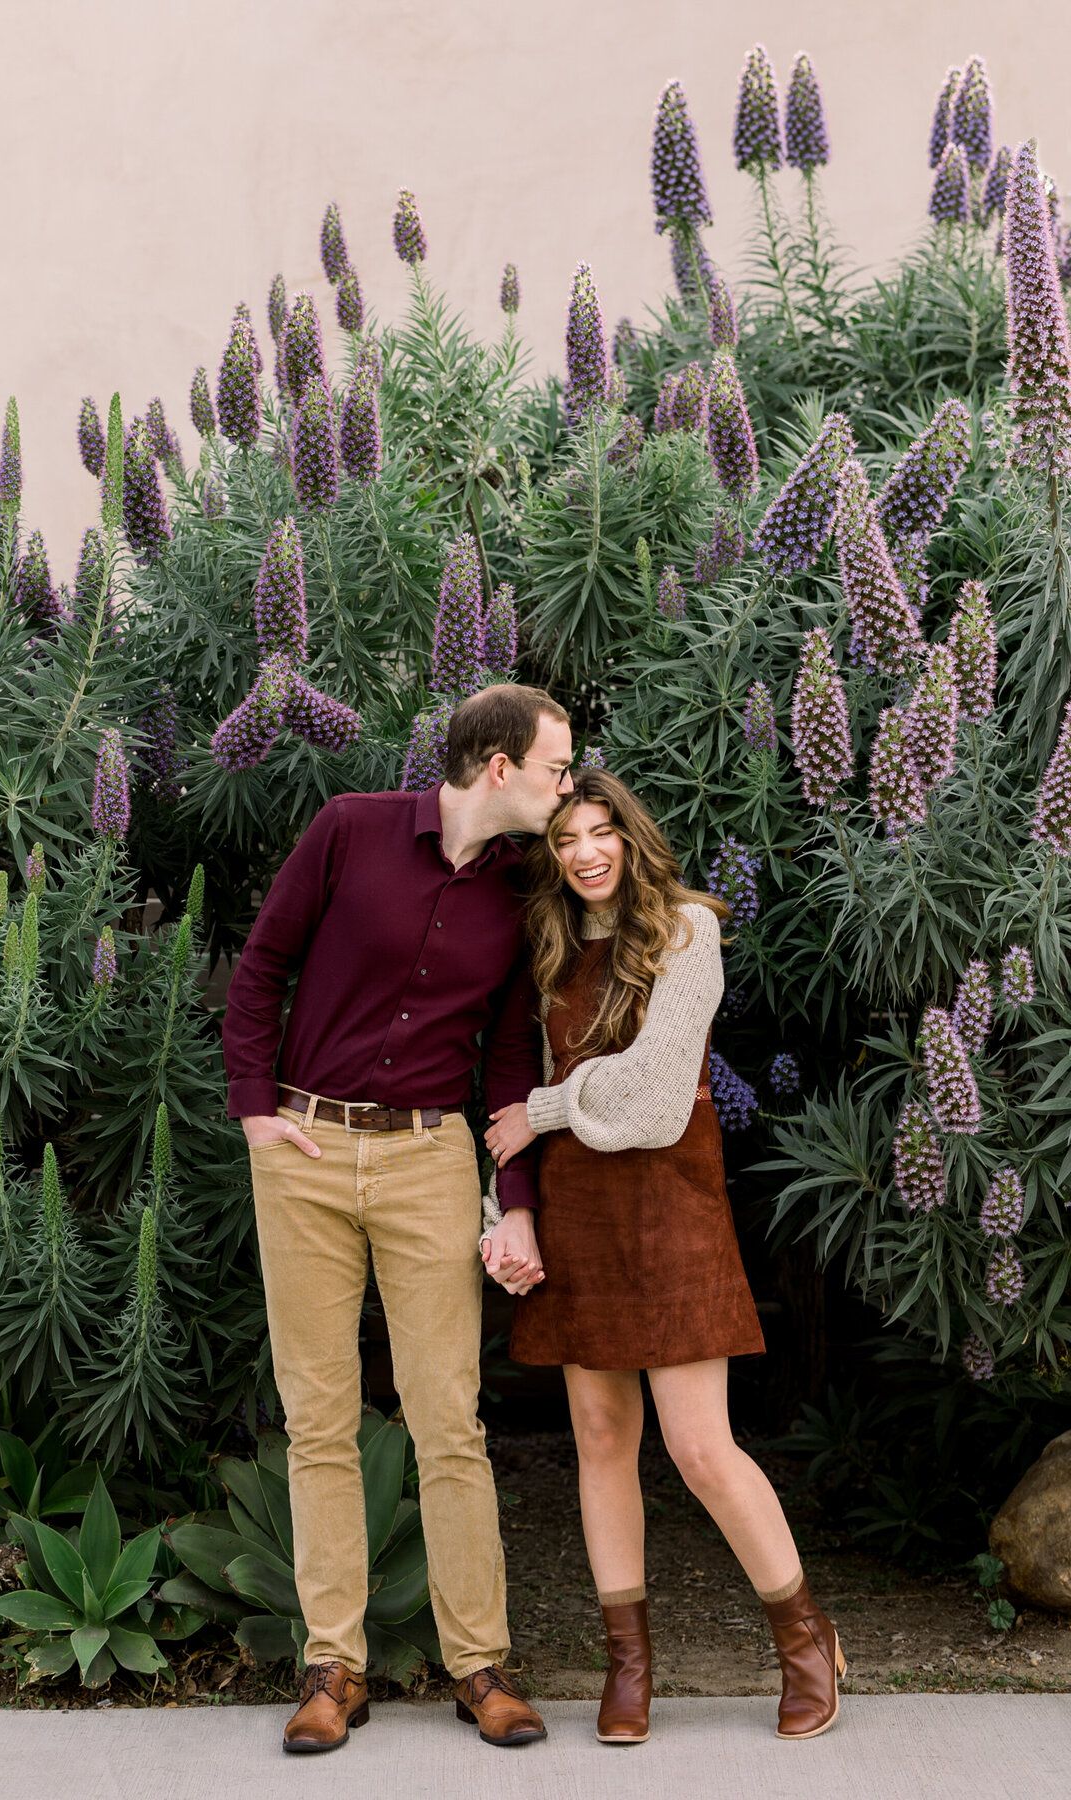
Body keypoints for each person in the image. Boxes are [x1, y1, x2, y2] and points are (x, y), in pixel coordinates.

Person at [222, 683, 572, 1755]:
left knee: (448, 1419)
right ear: (500, 765)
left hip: (430, 1157)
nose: (568, 783)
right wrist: (253, 1112)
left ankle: (480, 1665)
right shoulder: (350, 829)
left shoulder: (524, 892)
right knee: (319, 1416)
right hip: (309, 1154)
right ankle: (334, 1668)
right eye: (558, 765)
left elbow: (510, 1057)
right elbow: (261, 970)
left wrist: (513, 1205)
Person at [483, 768, 845, 1747]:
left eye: (602, 833)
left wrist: (553, 1108)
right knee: (600, 1444)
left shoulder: (685, 930)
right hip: (578, 1213)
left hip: (672, 1211)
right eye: (566, 840)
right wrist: (501, 1213)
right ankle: (629, 1665)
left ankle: (806, 1638)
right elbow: (503, 1094)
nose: (587, 853)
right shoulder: (549, 946)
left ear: (630, 839)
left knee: (699, 1448)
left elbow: (648, 1099)